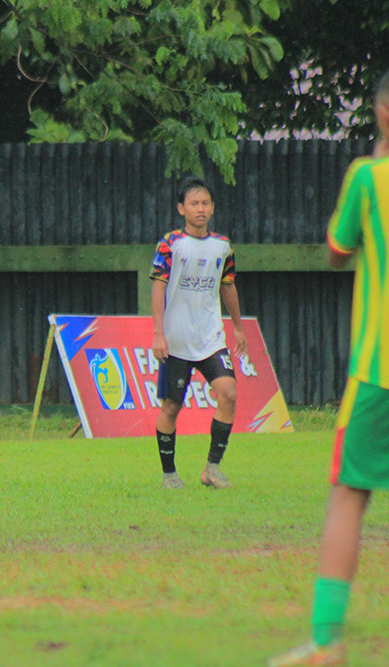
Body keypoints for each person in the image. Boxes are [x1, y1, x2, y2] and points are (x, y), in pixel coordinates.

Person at [267, 71, 389, 667]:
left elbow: (337, 251)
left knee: (348, 495)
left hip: (379, 370)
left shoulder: (368, 178)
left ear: (382, 112)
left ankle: (327, 643)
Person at [149, 178, 247, 490]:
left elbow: (227, 284)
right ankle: (169, 475)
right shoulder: (170, 244)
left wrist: (238, 327)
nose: (200, 209)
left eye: (205, 203)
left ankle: (212, 469)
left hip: (211, 339)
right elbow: (158, 286)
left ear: (213, 207)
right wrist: (158, 333)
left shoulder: (223, 245)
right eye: (194, 203)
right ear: (181, 209)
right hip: (177, 341)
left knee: (228, 393)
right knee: (172, 407)